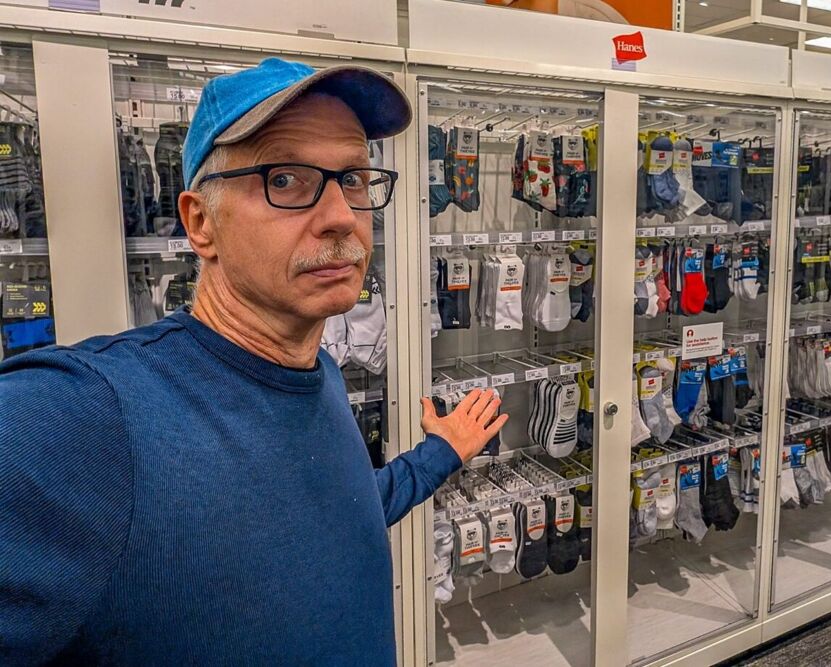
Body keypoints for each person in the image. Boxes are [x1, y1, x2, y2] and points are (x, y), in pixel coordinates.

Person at [0, 58, 507, 665]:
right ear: (201, 223)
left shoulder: (315, 375)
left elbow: (329, 516)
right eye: (285, 179)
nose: (342, 217)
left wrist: (440, 453)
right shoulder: (79, 416)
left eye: (352, 178)